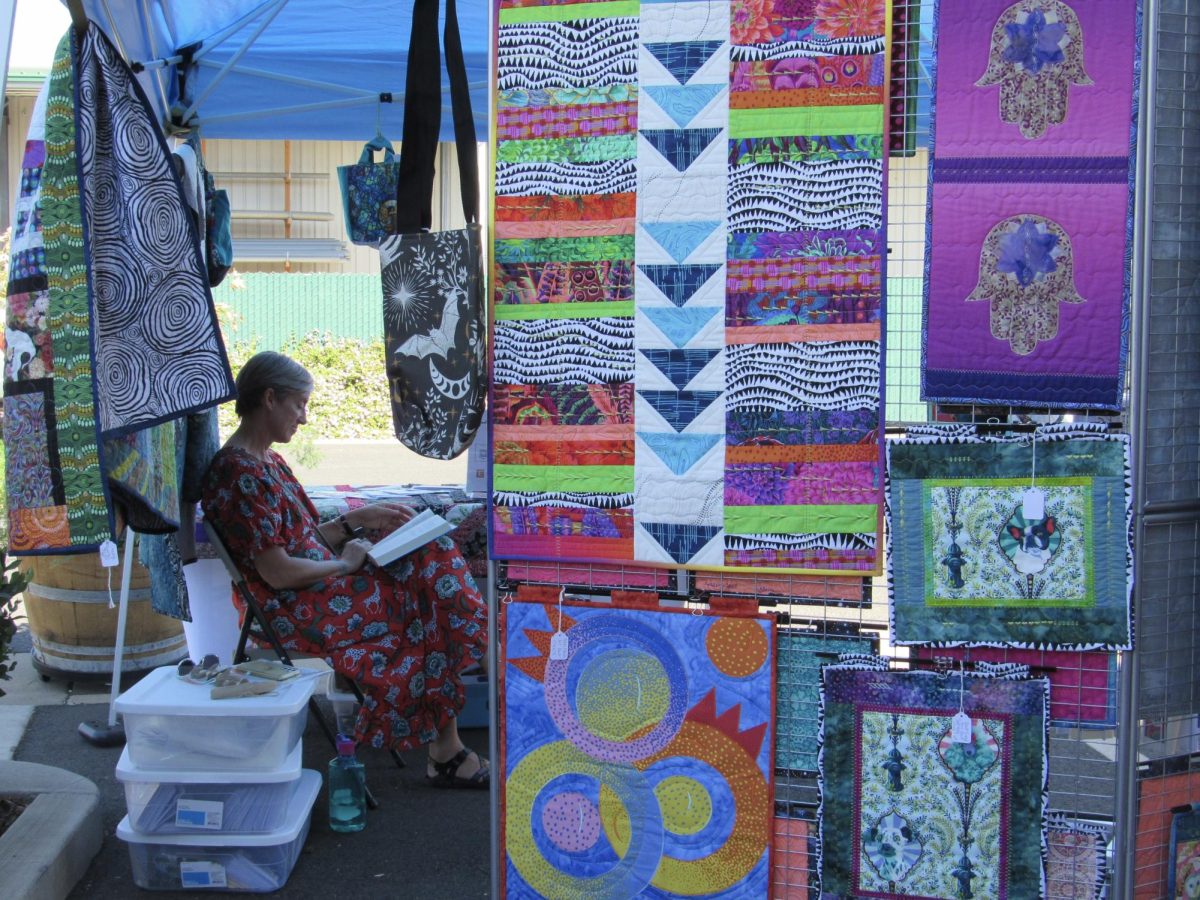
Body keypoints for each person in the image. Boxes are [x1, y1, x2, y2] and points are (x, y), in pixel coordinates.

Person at [200, 351, 489, 788]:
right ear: (271, 398)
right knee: (421, 605)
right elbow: (276, 572)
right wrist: (345, 563)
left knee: (432, 556)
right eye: (300, 404)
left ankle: (459, 716)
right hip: (286, 604)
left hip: (314, 584)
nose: (304, 417)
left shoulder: (268, 463)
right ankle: (457, 729)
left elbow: (304, 538)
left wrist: (360, 519)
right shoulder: (236, 473)